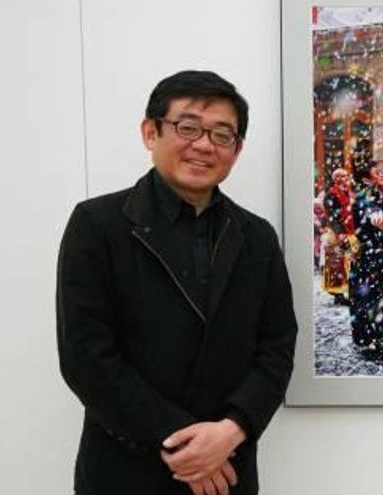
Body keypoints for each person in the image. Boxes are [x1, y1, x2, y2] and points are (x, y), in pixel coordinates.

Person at [56, 70, 298, 495]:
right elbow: (87, 358)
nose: (204, 144)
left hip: (229, 473)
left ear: (236, 150)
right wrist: (187, 444)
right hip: (126, 470)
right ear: (151, 132)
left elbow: (276, 350)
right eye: (187, 127)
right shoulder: (97, 225)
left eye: (222, 135)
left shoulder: (257, 237)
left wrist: (231, 431)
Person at [349, 161, 383, 363]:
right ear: (366, 179)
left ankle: (380, 340)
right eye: (377, 173)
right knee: (372, 301)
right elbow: (375, 216)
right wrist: (380, 220)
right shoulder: (364, 200)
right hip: (370, 260)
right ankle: (375, 343)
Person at [322, 167, 355, 304]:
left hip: (351, 230)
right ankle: (338, 294)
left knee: (350, 262)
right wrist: (340, 232)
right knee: (337, 263)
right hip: (337, 233)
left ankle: (352, 290)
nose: (344, 179)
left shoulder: (350, 193)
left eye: (346, 176)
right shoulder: (331, 195)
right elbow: (332, 216)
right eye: (340, 176)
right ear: (335, 179)